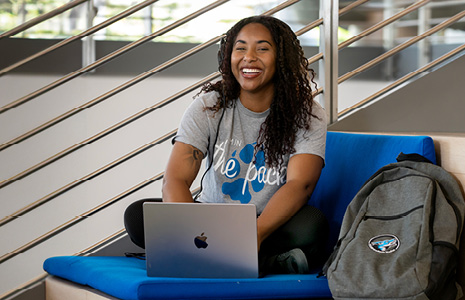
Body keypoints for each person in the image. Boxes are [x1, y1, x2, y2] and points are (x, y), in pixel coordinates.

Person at [124, 15, 329, 276]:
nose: (249, 57)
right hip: (208, 218)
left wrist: (253, 234)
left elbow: (301, 185)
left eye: (262, 48)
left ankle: (232, 254)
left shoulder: (307, 114)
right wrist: (191, 230)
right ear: (228, 56)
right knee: (137, 216)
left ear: (281, 58)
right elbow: (175, 178)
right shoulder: (210, 105)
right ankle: (267, 261)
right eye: (240, 48)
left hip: (265, 222)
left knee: (312, 225)